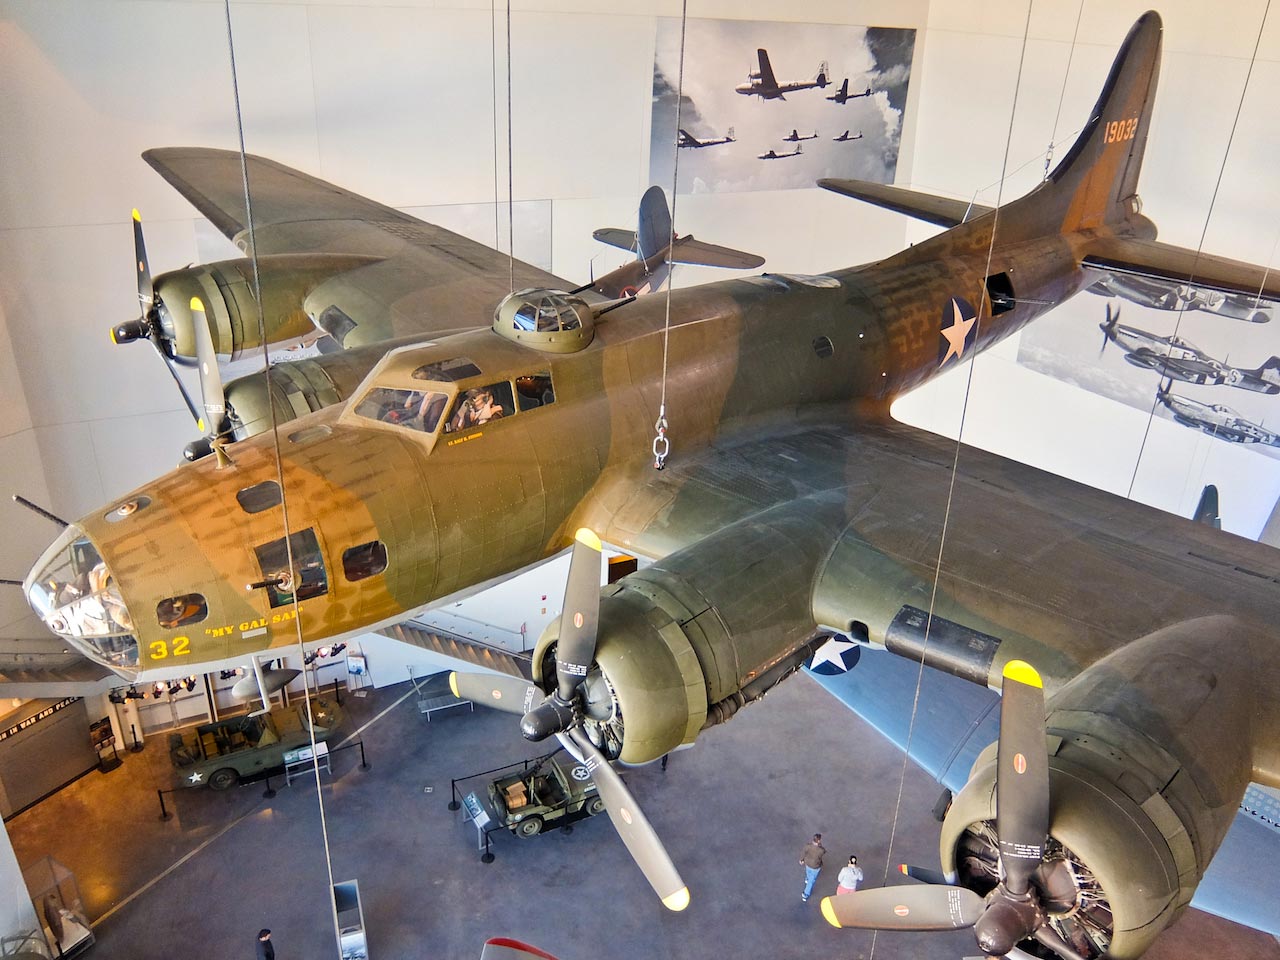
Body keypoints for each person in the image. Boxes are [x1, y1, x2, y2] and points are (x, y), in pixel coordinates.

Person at [799, 833, 826, 902]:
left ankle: (807, 878)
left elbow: (803, 852)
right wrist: (820, 845)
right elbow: (824, 852)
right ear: (819, 841)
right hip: (815, 866)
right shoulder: (821, 850)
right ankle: (805, 894)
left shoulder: (808, 846)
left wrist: (801, 859)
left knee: (808, 871)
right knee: (811, 881)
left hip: (807, 863)